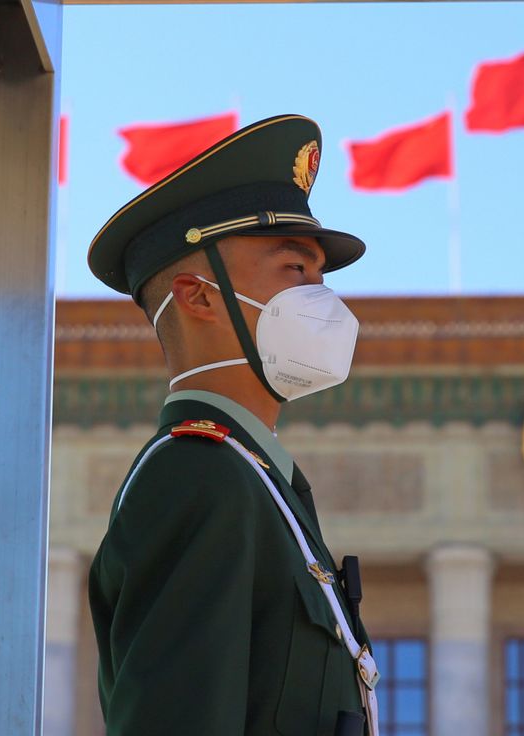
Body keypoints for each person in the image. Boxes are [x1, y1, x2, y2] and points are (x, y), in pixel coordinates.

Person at [86, 114, 379, 736]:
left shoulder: (259, 482)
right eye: (296, 272)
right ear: (198, 297)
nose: (322, 300)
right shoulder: (199, 476)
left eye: (322, 278)